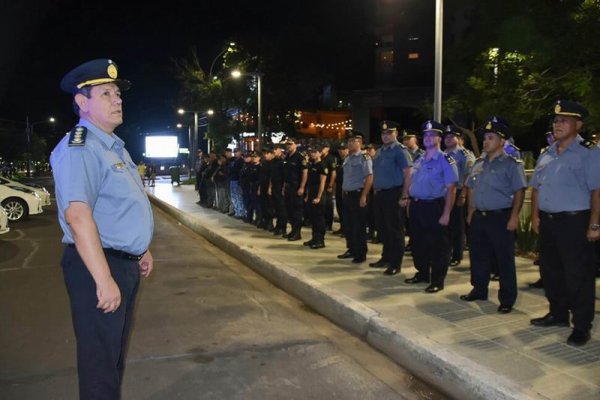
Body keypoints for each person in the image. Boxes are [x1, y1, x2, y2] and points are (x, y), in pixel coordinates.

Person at [50, 58, 154, 399]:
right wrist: (103, 278)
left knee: (112, 358)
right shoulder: (81, 147)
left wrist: (140, 248)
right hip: (97, 265)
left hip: (119, 262)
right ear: (82, 103)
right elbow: (79, 217)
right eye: (106, 93)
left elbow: (117, 207)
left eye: (118, 93)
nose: (117, 99)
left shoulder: (112, 146)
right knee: (100, 365)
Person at [529, 100, 600, 347]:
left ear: (578, 125)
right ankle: (558, 314)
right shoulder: (546, 153)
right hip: (549, 222)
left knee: (578, 276)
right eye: (556, 120)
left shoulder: (589, 153)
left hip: (574, 222)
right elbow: (536, 187)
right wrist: (536, 216)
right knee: (550, 272)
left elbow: (596, 191)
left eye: (563, 120)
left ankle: (581, 326)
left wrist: (594, 224)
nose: (557, 124)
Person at [460, 117, 527, 314]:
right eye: (485, 138)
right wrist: (471, 213)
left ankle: (507, 298)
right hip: (480, 216)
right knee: (478, 256)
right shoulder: (479, 163)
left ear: (501, 141)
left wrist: (514, 216)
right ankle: (479, 289)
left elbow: (519, 192)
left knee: (503, 258)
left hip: (500, 216)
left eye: (490, 138)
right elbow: (471, 188)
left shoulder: (511, 164)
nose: (485, 141)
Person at [405, 120, 458, 293]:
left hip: (435, 206)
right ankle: (422, 273)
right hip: (417, 206)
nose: (428, 138)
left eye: (432, 135)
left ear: (439, 138)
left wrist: (446, 213)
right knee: (419, 243)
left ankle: (437, 279)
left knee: (438, 246)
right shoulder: (419, 159)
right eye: (426, 135)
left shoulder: (445, 160)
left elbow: (451, 188)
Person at [370, 121, 412, 275]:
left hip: (394, 193)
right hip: (380, 193)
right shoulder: (381, 151)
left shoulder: (400, 151)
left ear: (396, 134)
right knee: (383, 228)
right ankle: (386, 257)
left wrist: (405, 195)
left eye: (389, 133)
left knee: (395, 230)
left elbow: (408, 173)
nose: (386, 136)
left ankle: (396, 263)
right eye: (383, 133)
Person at [337, 134, 373, 263]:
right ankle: (351, 249)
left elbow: (369, 177)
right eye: (349, 141)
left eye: (353, 141)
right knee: (348, 225)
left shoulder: (364, 158)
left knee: (359, 226)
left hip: (358, 195)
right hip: (347, 195)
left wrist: (364, 195)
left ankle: (360, 253)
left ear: (360, 143)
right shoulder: (348, 158)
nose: (350, 143)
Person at [443, 125, 476, 267]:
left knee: (457, 226)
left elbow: (470, 176)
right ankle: (446, 252)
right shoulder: (442, 153)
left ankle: (457, 255)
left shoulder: (465, 155)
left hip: (458, 193)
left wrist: (463, 194)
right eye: (447, 137)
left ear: (460, 139)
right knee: (445, 225)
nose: (448, 139)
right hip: (443, 194)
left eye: (452, 136)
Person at [283, 138, 308, 241]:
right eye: (287, 144)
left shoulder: (299, 157)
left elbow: (305, 173)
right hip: (288, 187)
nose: (288, 146)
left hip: (296, 187)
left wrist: (302, 187)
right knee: (290, 210)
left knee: (296, 211)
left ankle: (297, 233)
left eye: (291, 144)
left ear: (295, 145)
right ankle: (293, 230)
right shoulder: (287, 157)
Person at [303, 146, 329, 249]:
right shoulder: (312, 165)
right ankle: (314, 238)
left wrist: (318, 197)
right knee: (313, 218)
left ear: (320, 153)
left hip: (319, 194)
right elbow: (309, 183)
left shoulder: (322, 165)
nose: (312, 154)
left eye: (315, 152)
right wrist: (308, 196)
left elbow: (322, 183)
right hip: (312, 192)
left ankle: (320, 240)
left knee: (319, 218)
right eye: (311, 152)